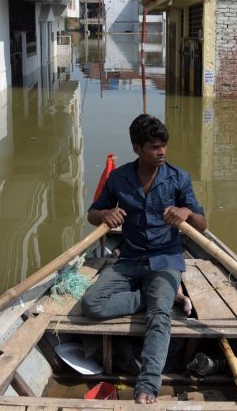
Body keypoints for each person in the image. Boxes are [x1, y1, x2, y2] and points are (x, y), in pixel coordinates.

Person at [80, 114, 207, 404]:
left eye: (163, 146)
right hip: (129, 259)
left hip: (165, 259)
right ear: (137, 148)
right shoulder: (119, 178)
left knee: (159, 317)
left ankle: (148, 385)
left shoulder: (178, 178)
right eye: (153, 147)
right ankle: (155, 298)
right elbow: (92, 214)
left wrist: (186, 213)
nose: (161, 152)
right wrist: (104, 215)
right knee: (91, 304)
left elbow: (202, 225)